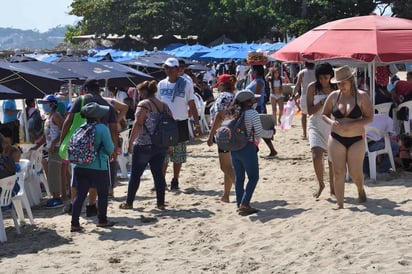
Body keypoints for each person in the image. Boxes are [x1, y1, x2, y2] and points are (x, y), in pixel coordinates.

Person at [60, 79, 118, 217]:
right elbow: (114, 129)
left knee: (77, 179)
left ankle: (75, 207)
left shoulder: (81, 100)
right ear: (99, 90)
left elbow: (68, 121)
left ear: (85, 89)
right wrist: (114, 149)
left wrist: (62, 141)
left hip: (82, 146)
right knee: (95, 179)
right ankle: (92, 206)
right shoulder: (107, 104)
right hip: (100, 146)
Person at [322, 65, 373, 209]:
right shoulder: (333, 96)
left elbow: (369, 117)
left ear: (351, 80)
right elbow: (324, 115)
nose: (341, 85)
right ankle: (340, 203)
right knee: (338, 171)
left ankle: (360, 188)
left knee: (355, 173)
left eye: (343, 82)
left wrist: (353, 124)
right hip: (336, 137)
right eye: (338, 83)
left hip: (356, 138)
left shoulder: (362, 96)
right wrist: (332, 122)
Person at [119, 80, 169, 210]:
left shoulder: (144, 104)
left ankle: (129, 202)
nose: (139, 95)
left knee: (135, 175)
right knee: (158, 174)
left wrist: (130, 142)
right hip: (160, 144)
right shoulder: (163, 105)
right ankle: (161, 203)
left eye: (140, 92)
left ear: (145, 92)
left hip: (143, 144)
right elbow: (170, 123)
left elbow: (138, 124)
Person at [157, 57, 201, 190]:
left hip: (180, 122)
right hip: (164, 123)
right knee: (163, 154)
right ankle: (161, 180)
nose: (169, 70)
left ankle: (175, 179)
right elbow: (158, 104)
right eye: (166, 68)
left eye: (171, 68)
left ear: (178, 69)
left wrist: (197, 124)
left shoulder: (186, 84)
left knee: (178, 155)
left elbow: (192, 104)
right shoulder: (161, 84)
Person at [70, 102, 115, 232]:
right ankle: (102, 220)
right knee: (102, 194)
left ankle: (74, 223)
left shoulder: (81, 128)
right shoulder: (102, 128)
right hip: (98, 166)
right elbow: (110, 148)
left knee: (80, 195)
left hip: (79, 165)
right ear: (98, 115)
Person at [230, 90, 274, 216]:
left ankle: (240, 203)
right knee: (253, 177)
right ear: (248, 102)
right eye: (253, 99)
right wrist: (271, 133)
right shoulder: (252, 113)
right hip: (248, 147)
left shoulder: (236, 113)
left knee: (239, 178)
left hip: (234, 148)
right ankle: (245, 204)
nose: (255, 101)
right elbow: (259, 132)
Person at [306, 63, 336, 199]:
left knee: (332, 160)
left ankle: (333, 188)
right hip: (315, 125)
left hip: (331, 125)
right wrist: (323, 103)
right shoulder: (312, 87)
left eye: (326, 77)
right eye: (321, 77)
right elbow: (309, 111)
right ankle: (321, 184)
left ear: (331, 76)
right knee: (316, 155)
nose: (323, 80)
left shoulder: (336, 87)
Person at [30, 95, 64, 208]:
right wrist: (37, 146)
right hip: (50, 148)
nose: (44, 105)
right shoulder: (49, 117)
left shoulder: (56, 116)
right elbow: (46, 135)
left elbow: (63, 131)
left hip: (56, 148)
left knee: (54, 173)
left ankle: (57, 198)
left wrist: (54, 144)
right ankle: (54, 196)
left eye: (46, 103)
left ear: (53, 104)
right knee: (51, 173)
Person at [207, 74, 236, 203]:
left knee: (225, 167)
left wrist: (210, 135)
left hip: (224, 134)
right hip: (235, 132)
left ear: (223, 85)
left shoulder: (222, 97)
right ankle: (226, 195)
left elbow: (219, 116)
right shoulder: (235, 96)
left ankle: (242, 189)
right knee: (229, 166)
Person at [246, 65, 277, 157]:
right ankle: (270, 150)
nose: (251, 72)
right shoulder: (256, 80)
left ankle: (255, 149)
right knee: (258, 129)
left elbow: (256, 96)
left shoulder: (259, 81)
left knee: (258, 129)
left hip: (257, 107)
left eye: (252, 70)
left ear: (256, 71)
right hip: (254, 107)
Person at [293, 62, 316, 139]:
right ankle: (313, 133)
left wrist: (293, 95)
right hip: (314, 95)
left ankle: (304, 133)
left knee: (304, 115)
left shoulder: (302, 72)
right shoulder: (316, 72)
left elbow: (298, 85)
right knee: (314, 115)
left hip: (305, 95)